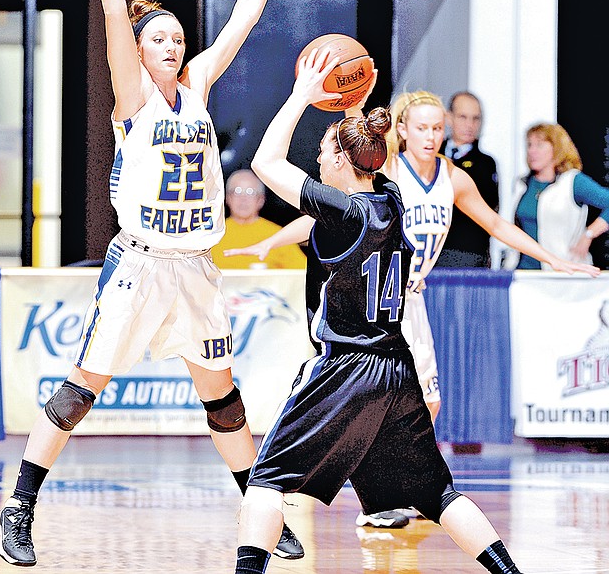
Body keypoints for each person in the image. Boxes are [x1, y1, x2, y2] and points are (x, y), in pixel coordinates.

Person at [0, 0, 304, 567]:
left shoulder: (198, 87)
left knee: (224, 400)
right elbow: (113, 9)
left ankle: (260, 511)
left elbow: (241, 19)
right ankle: (18, 507)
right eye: (158, 39)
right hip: (140, 262)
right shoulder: (132, 99)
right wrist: (115, 1)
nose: (171, 46)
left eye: (177, 39)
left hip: (196, 267)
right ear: (136, 51)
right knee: (81, 390)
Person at [228, 87, 601, 533]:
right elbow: (326, 209)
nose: (431, 136)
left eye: (438, 128)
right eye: (422, 127)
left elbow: (496, 224)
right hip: (373, 304)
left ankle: (393, 493)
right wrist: (271, 240)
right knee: (387, 402)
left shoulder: (453, 178)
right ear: (401, 130)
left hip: (410, 298)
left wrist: (551, 257)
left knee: (427, 402)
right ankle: (385, 496)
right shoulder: (387, 175)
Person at [234, 47, 527, 574]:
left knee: (266, 481)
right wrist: (356, 108)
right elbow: (368, 153)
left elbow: (264, 163)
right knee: (439, 493)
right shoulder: (391, 197)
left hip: (344, 365)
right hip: (397, 368)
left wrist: (303, 94)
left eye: (326, 152)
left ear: (344, 162)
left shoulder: (342, 210)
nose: (319, 160)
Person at [503, 122, 609, 270]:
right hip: (523, 272)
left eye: (539, 145)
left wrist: (589, 234)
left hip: (563, 272)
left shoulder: (573, 182)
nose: (532, 151)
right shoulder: (522, 184)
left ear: (557, 148)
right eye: (529, 145)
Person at [436, 91, 499, 268]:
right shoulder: (430, 154)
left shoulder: (486, 164)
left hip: (469, 254)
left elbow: (489, 209)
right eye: (463, 117)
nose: (469, 125)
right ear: (449, 117)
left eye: (475, 118)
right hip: (429, 252)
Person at [211, 168, 306, 269]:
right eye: (237, 191)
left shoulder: (277, 236)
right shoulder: (212, 235)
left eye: (250, 192)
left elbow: (301, 273)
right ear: (228, 198)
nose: (243, 199)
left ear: (261, 200)